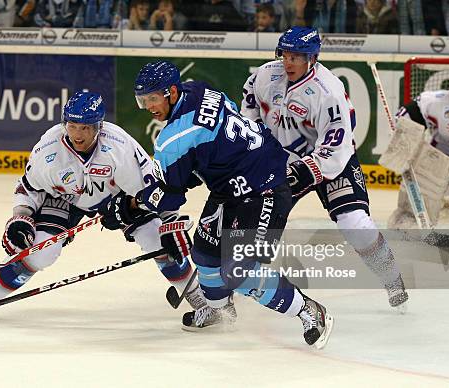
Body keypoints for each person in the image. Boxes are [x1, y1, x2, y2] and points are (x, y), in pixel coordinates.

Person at [108, 61, 334, 349]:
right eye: (143, 100)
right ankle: (219, 310)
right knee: (204, 256)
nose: (149, 106)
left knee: (237, 271)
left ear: (171, 92)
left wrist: (133, 204)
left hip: (264, 189)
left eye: (153, 98)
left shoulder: (172, 140)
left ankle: (311, 311)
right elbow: (205, 148)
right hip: (232, 185)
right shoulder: (199, 89)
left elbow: (170, 196)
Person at [0, 91, 206, 321]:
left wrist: (169, 221)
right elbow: (29, 187)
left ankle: (198, 297)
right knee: (41, 252)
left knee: (157, 241)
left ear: (99, 126)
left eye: (85, 128)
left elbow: (152, 186)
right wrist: (21, 217)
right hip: (67, 200)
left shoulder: (119, 146)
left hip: (118, 197)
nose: (77, 134)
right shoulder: (48, 150)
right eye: (72, 126)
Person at [241, 26, 408, 311]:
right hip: (280, 163)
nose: (289, 62)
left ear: (312, 58)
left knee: (353, 221)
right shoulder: (264, 76)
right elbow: (248, 113)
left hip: (331, 160)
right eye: (286, 54)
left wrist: (309, 168)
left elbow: (337, 142)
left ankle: (392, 278)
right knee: (251, 218)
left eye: (297, 56)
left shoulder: (327, 90)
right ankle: (236, 278)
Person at [388, 67, 449, 229]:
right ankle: (409, 218)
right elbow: (405, 117)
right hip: (442, 152)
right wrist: (402, 137)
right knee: (424, 178)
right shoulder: (434, 102)